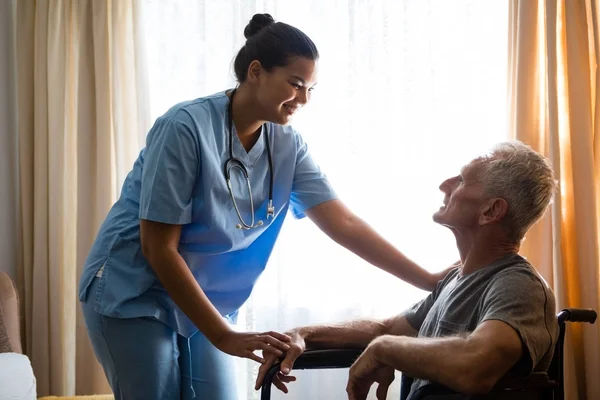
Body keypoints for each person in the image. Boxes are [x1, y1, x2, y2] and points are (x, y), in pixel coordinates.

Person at [78, 13, 448, 400]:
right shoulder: (184, 127)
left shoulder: (287, 145)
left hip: (206, 295)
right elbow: (158, 248)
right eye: (295, 84)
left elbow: (345, 223)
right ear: (256, 72)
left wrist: (428, 280)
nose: (304, 99)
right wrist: (223, 334)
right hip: (135, 288)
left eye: (311, 89)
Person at [255, 141, 561, 400]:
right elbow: (384, 330)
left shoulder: (518, 285)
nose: (445, 185)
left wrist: (386, 350)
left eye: (463, 181)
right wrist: (302, 333)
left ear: (491, 211)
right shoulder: (456, 280)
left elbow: (477, 364)